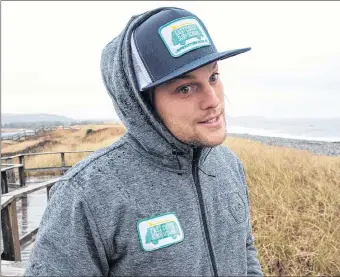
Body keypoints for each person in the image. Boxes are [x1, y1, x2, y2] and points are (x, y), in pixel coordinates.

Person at [24, 7, 263, 276]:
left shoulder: (229, 165)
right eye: (185, 88)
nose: (213, 100)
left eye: (213, 77)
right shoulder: (87, 194)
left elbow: (245, 252)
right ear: (142, 104)